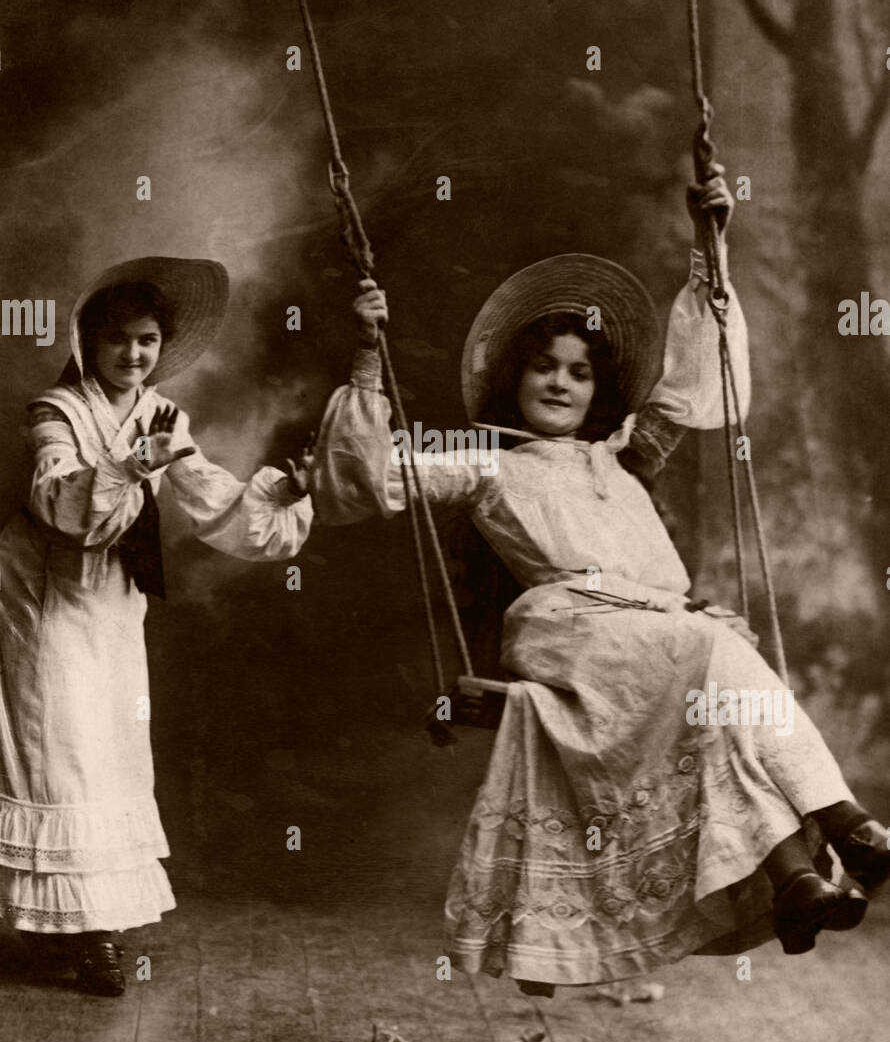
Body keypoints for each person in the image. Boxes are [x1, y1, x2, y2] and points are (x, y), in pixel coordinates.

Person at [309, 181, 890, 992]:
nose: (560, 382)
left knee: (720, 710)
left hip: (659, 632)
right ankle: (850, 825)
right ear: (515, 379)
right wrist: (369, 355)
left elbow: (699, 383)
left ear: (596, 387)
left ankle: (797, 879)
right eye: (543, 367)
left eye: (579, 372)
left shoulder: (622, 454)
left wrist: (707, 240)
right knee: (710, 647)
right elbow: (365, 481)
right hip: (569, 627)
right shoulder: (486, 465)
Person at [0, 257, 313, 996]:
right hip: (45, 598)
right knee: (59, 754)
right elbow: (62, 506)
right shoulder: (55, 411)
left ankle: (76, 924)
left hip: (111, 603)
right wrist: (132, 462)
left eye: (146, 341)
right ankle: (89, 936)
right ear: (86, 342)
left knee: (107, 752)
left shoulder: (159, 413)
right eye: (118, 341)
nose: (133, 356)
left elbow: (208, 500)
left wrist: (282, 493)